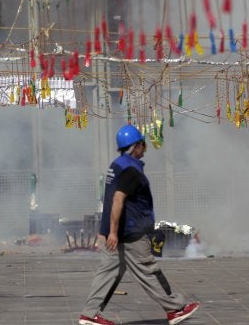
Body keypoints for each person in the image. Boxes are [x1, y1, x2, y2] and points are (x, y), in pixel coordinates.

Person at [79, 124, 200, 325]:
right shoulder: (131, 170)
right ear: (135, 146)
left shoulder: (116, 165)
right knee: (148, 270)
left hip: (115, 232)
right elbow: (117, 200)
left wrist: (105, 231)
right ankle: (175, 309)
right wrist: (114, 233)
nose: (145, 147)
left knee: (108, 273)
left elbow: (108, 198)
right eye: (143, 143)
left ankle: (90, 315)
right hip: (130, 233)